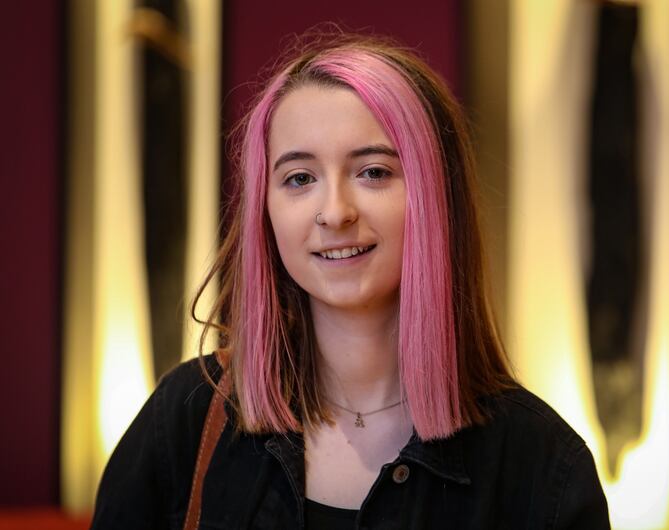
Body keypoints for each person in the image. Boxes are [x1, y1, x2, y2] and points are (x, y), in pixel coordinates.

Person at [90, 33, 610, 529]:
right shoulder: (184, 420)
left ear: (436, 198)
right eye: (299, 178)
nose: (334, 212)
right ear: (265, 211)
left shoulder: (543, 468)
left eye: (374, 172)